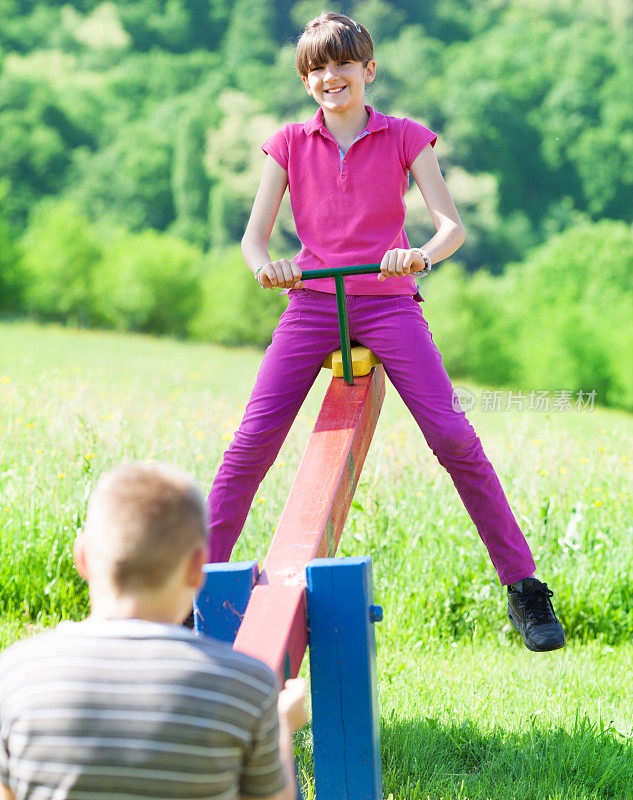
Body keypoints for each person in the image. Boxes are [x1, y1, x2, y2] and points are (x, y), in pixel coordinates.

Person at [206, 12, 565, 653]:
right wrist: (269, 271)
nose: (328, 77)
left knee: (455, 436)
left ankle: (525, 588)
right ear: (305, 79)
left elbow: (449, 226)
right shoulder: (288, 143)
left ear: (368, 71)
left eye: (341, 65)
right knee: (249, 447)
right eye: (315, 68)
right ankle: (192, 592)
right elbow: (253, 239)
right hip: (313, 301)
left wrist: (419, 255)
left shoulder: (405, 138)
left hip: (387, 301)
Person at [0, 462, 307, 800]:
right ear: (197, 569)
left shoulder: (15, 677)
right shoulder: (245, 687)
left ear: (82, 557)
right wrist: (280, 726)